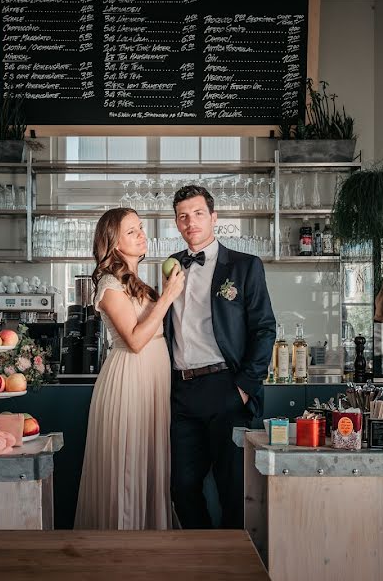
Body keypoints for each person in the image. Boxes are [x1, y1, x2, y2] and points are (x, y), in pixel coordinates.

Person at [164, 185, 276, 529]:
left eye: (198, 213)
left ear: (214, 218)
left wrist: (243, 387)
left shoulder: (244, 266)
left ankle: (233, 565)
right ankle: (201, 558)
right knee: (181, 488)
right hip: (182, 393)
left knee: (233, 490)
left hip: (227, 388)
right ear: (177, 223)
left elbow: (264, 329)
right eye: (183, 216)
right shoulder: (171, 269)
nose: (190, 222)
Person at [74, 207, 185, 530]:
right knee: (129, 465)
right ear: (114, 243)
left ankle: (149, 541)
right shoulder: (109, 285)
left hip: (152, 381)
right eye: (132, 231)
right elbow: (135, 340)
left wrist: (163, 292)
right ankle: (123, 547)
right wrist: (167, 297)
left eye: (140, 228)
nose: (142, 235)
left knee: (148, 464)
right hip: (129, 381)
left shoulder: (136, 282)